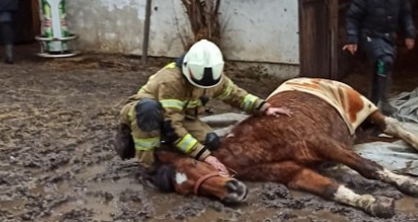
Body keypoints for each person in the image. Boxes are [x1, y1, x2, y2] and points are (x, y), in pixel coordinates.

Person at [113, 39, 289, 174]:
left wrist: (264, 108)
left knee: (211, 141)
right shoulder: (171, 81)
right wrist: (206, 157)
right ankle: (147, 165)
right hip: (144, 113)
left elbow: (236, 95)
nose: (203, 89)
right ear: (189, 70)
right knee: (149, 110)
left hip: (181, 117)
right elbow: (173, 127)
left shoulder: (213, 77)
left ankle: (163, 149)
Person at [343, 0, 416, 108]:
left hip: (388, 36)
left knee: (381, 66)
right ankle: (383, 99)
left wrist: (410, 34)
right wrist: (352, 39)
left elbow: (406, 13)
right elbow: (353, 16)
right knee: (384, 60)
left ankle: (374, 99)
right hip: (370, 35)